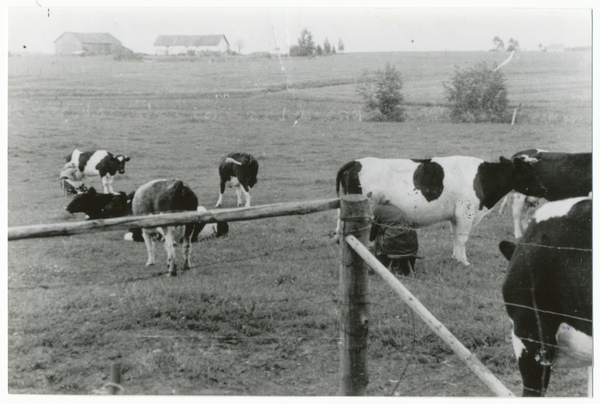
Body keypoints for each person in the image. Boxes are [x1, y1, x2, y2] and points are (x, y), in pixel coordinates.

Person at [368, 192, 419, 276]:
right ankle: (402, 268)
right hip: (412, 245)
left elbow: (371, 236)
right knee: (391, 234)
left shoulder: (377, 210)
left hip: (395, 243)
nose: (371, 205)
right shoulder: (395, 208)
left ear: (376, 200)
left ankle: (378, 267)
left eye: (372, 202)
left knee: (378, 238)